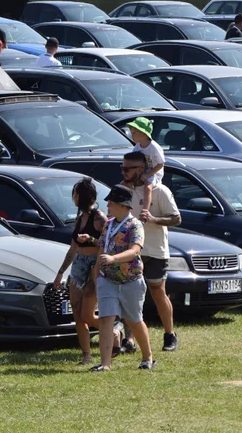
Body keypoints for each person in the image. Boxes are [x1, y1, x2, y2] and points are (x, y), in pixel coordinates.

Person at [119, 151, 182, 354]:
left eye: (128, 169)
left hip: (155, 250)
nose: (124, 172)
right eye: (122, 168)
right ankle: (129, 339)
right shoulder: (122, 190)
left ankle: (169, 334)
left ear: (140, 169)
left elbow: (176, 218)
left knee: (157, 291)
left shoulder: (159, 191)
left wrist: (154, 219)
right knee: (129, 294)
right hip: (129, 251)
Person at [92, 185, 153, 372]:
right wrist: (97, 275)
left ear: (123, 205)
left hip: (131, 280)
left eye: (111, 203)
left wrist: (113, 259)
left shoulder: (135, 225)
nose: (108, 206)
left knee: (134, 320)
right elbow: (102, 249)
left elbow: (135, 250)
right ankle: (105, 363)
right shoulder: (108, 224)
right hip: (107, 279)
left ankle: (147, 357)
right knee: (105, 319)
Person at [53, 179, 106, 365]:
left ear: (82, 196)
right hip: (78, 266)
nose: (72, 197)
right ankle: (86, 355)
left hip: (93, 266)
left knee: (87, 314)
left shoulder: (100, 219)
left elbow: (108, 244)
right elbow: (72, 249)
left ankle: (112, 331)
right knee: (76, 312)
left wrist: (91, 238)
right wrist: (60, 273)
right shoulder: (78, 219)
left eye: (75, 193)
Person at [126, 117, 164, 218]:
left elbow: (161, 164)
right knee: (125, 183)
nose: (132, 135)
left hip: (153, 172)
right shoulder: (137, 147)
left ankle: (145, 210)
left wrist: (148, 174)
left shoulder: (154, 147)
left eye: (134, 133)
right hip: (141, 171)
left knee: (147, 186)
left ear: (143, 133)